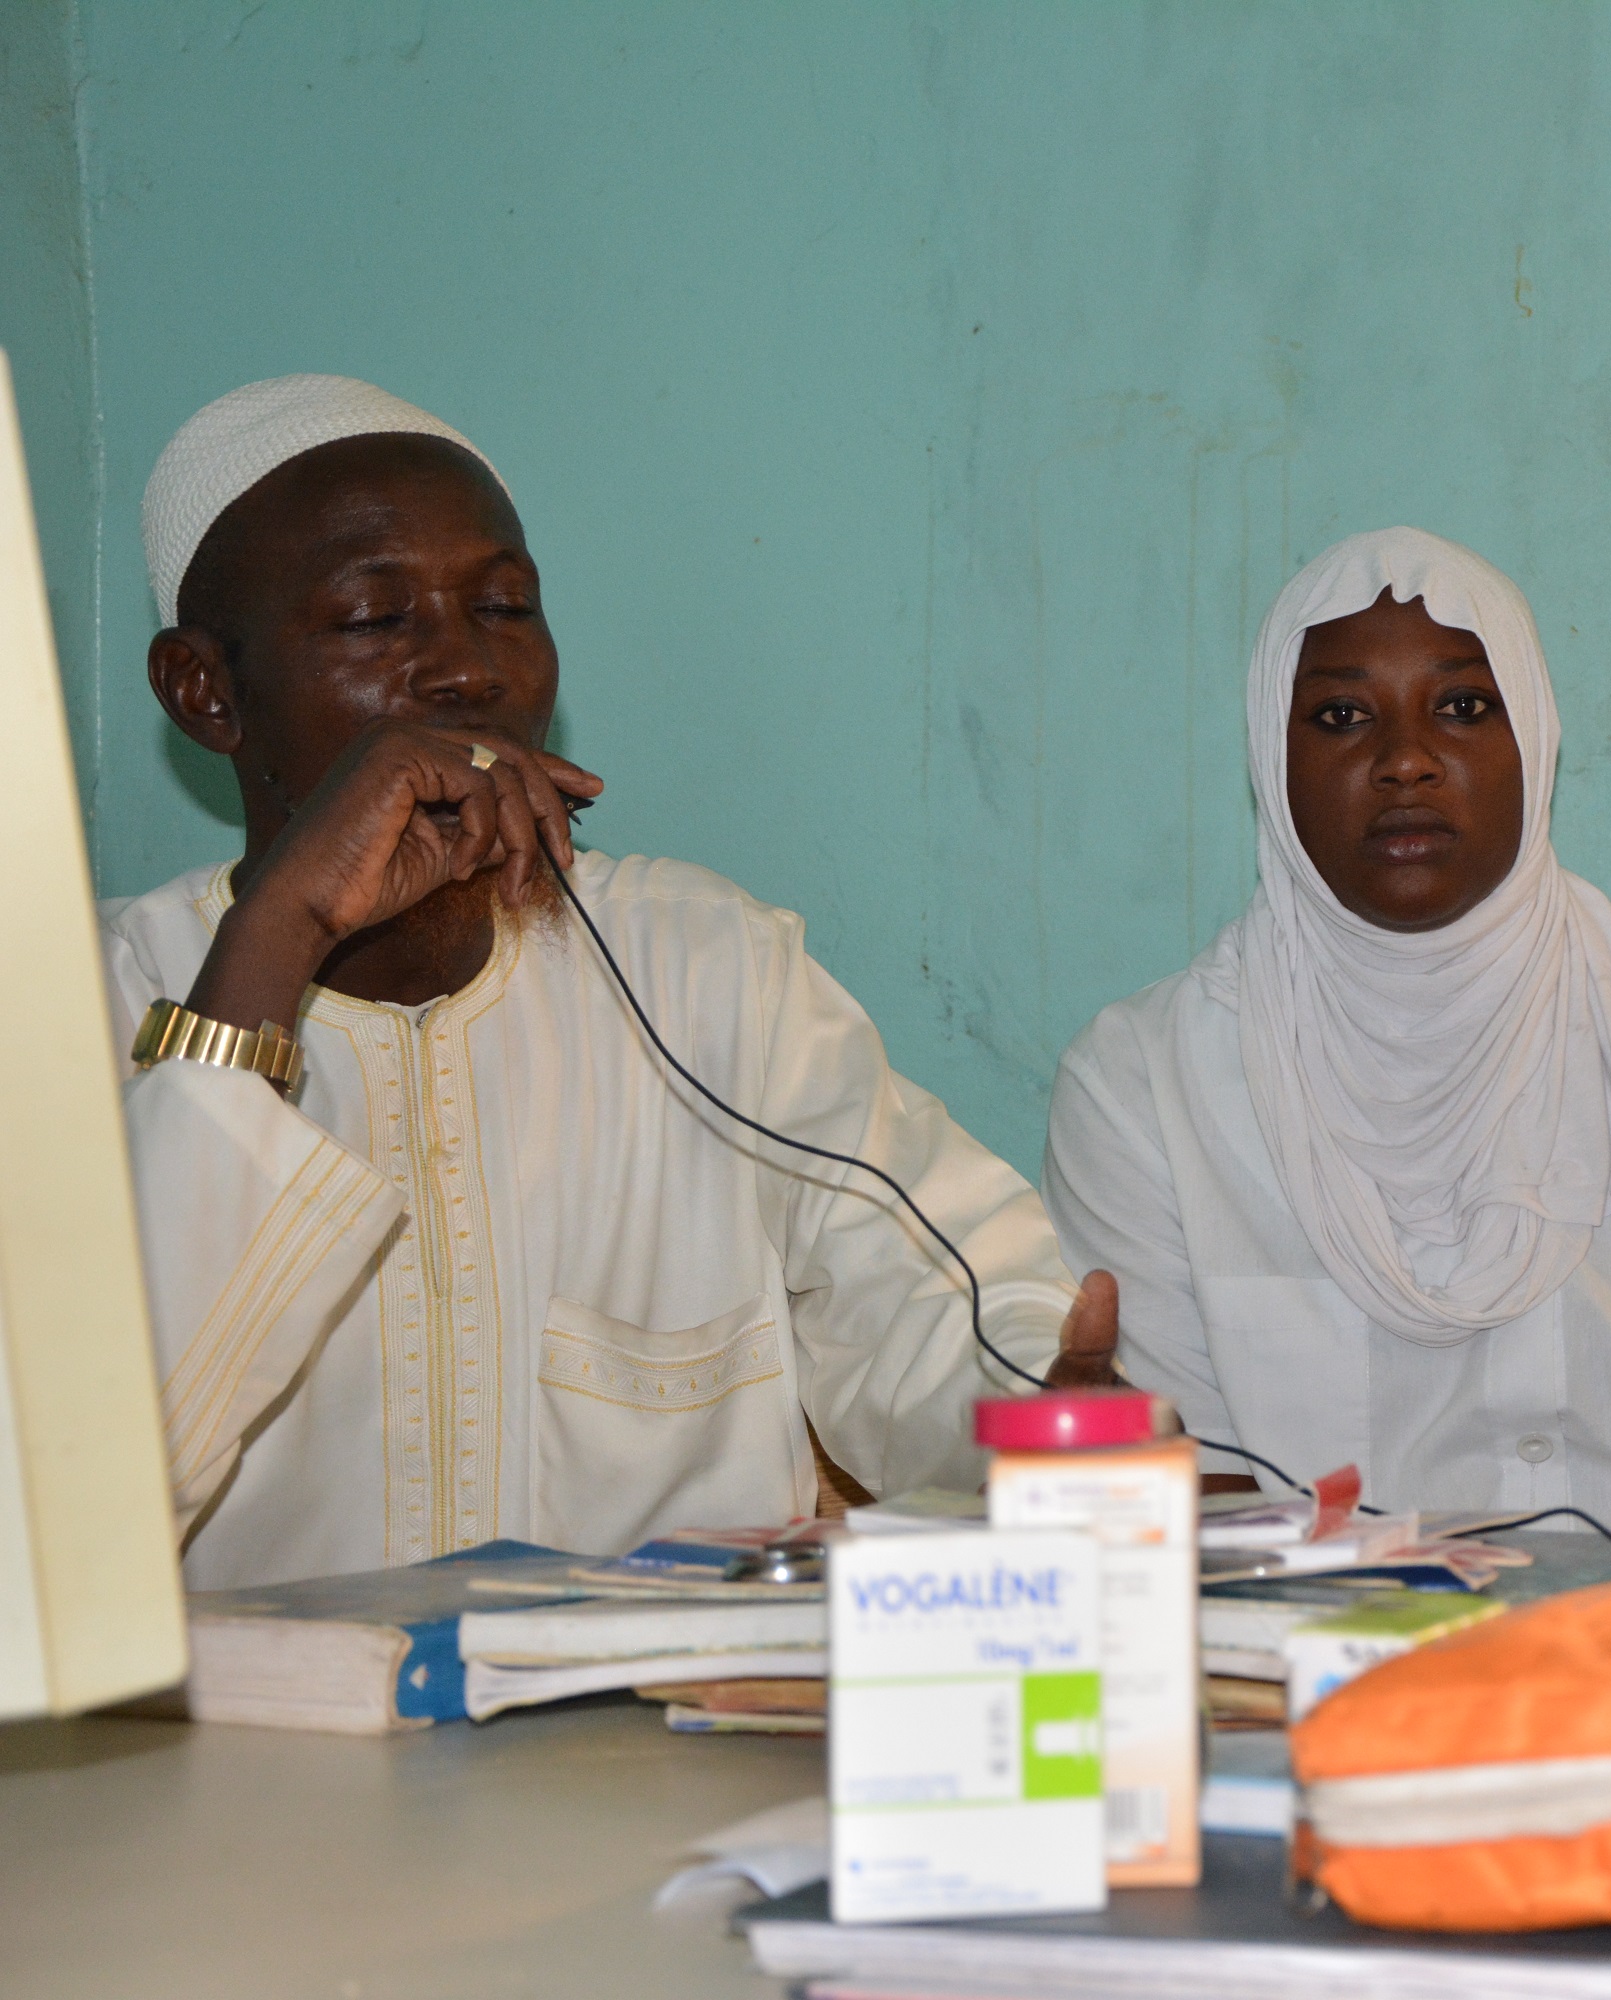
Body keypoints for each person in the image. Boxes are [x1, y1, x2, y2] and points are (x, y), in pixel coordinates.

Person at [108, 375, 1106, 1588]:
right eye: (375, 618)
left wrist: (1042, 1416)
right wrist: (284, 928)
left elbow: (939, 1302)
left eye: (503, 606)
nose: (465, 668)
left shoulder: (705, 968)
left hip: (662, 1704)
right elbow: (69, 1498)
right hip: (255, 1712)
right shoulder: (75, 1005)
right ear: (203, 690)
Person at [1042, 528, 1611, 1545]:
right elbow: (1181, 1534)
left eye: (1464, 708)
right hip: (1291, 1642)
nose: (1405, 761)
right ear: (1271, 755)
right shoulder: (1141, 1084)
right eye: (1342, 716)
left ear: (1535, 738)